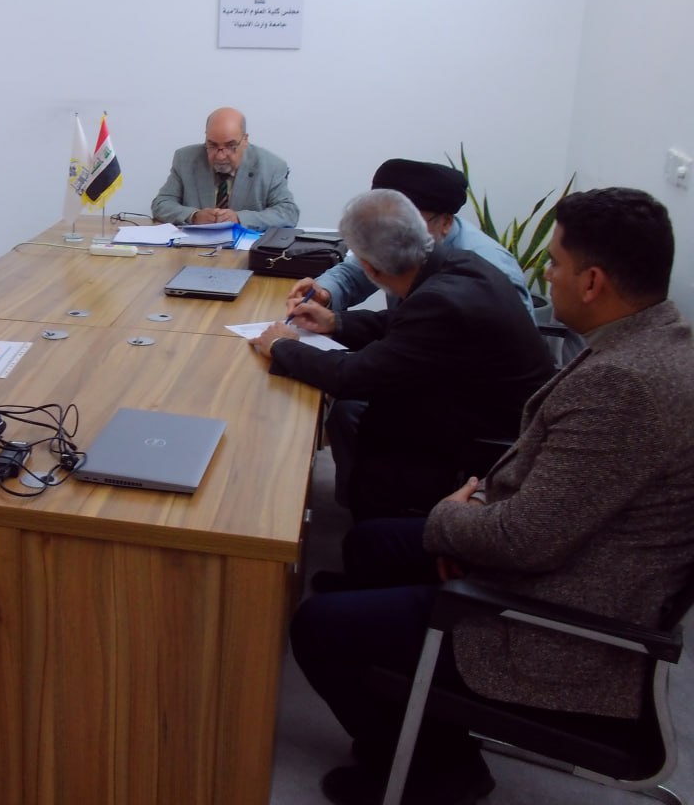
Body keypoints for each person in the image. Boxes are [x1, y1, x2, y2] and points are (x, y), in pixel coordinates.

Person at [289, 187, 694, 805]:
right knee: (370, 543)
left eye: (555, 262)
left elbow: (525, 541)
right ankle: (405, 694)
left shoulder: (622, 385)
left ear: (592, 282)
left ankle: (439, 772)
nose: (546, 276)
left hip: (555, 616)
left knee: (318, 627)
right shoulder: (656, 343)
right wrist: (477, 509)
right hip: (546, 541)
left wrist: (459, 518)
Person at [250, 189, 554, 520]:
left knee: (369, 415)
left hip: (485, 432)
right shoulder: (459, 263)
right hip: (489, 404)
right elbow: (401, 323)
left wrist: (281, 346)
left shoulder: (440, 302)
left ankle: (376, 527)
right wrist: (335, 322)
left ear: (369, 267)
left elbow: (352, 376)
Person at [286, 158, 533, 317]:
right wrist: (325, 293)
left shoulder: (491, 267)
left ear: (446, 222)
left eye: (410, 223)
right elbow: (353, 274)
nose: (393, 233)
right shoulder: (390, 237)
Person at [150, 107, 299, 230]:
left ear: (245, 140)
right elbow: (161, 203)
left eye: (230, 146)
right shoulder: (185, 159)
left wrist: (239, 218)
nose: (220, 156)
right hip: (194, 249)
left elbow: (288, 213)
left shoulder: (271, 166)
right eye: (212, 145)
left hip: (245, 251)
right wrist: (193, 216)